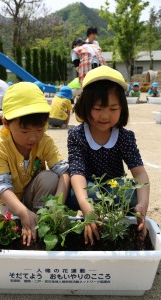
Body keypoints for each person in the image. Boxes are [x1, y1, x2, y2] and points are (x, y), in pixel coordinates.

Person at [66, 66, 150, 245]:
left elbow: (140, 174)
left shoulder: (125, 137)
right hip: (86, 191)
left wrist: (142, 204)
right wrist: (87, 208)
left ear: (122, 109)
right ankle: (88, 215)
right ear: (85, 106)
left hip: (115, 189)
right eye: (98, 108)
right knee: (82, 192)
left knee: (128, 191)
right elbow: (77, 173)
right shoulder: (77, 135)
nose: (105, 115)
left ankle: (125, 223)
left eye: (113, 109)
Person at [0, 82, 70, 246]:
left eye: (39, 130)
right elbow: (1, 186)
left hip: (31, 196)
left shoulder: (45, 142)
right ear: (6, 123)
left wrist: (57, 206)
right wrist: (22, 212)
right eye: (24, 131)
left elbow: (64, 172)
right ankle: (29, 219)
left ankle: (38, 219)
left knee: (50, 177)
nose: (33, 138)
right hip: (4, 201)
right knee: (7, 227)